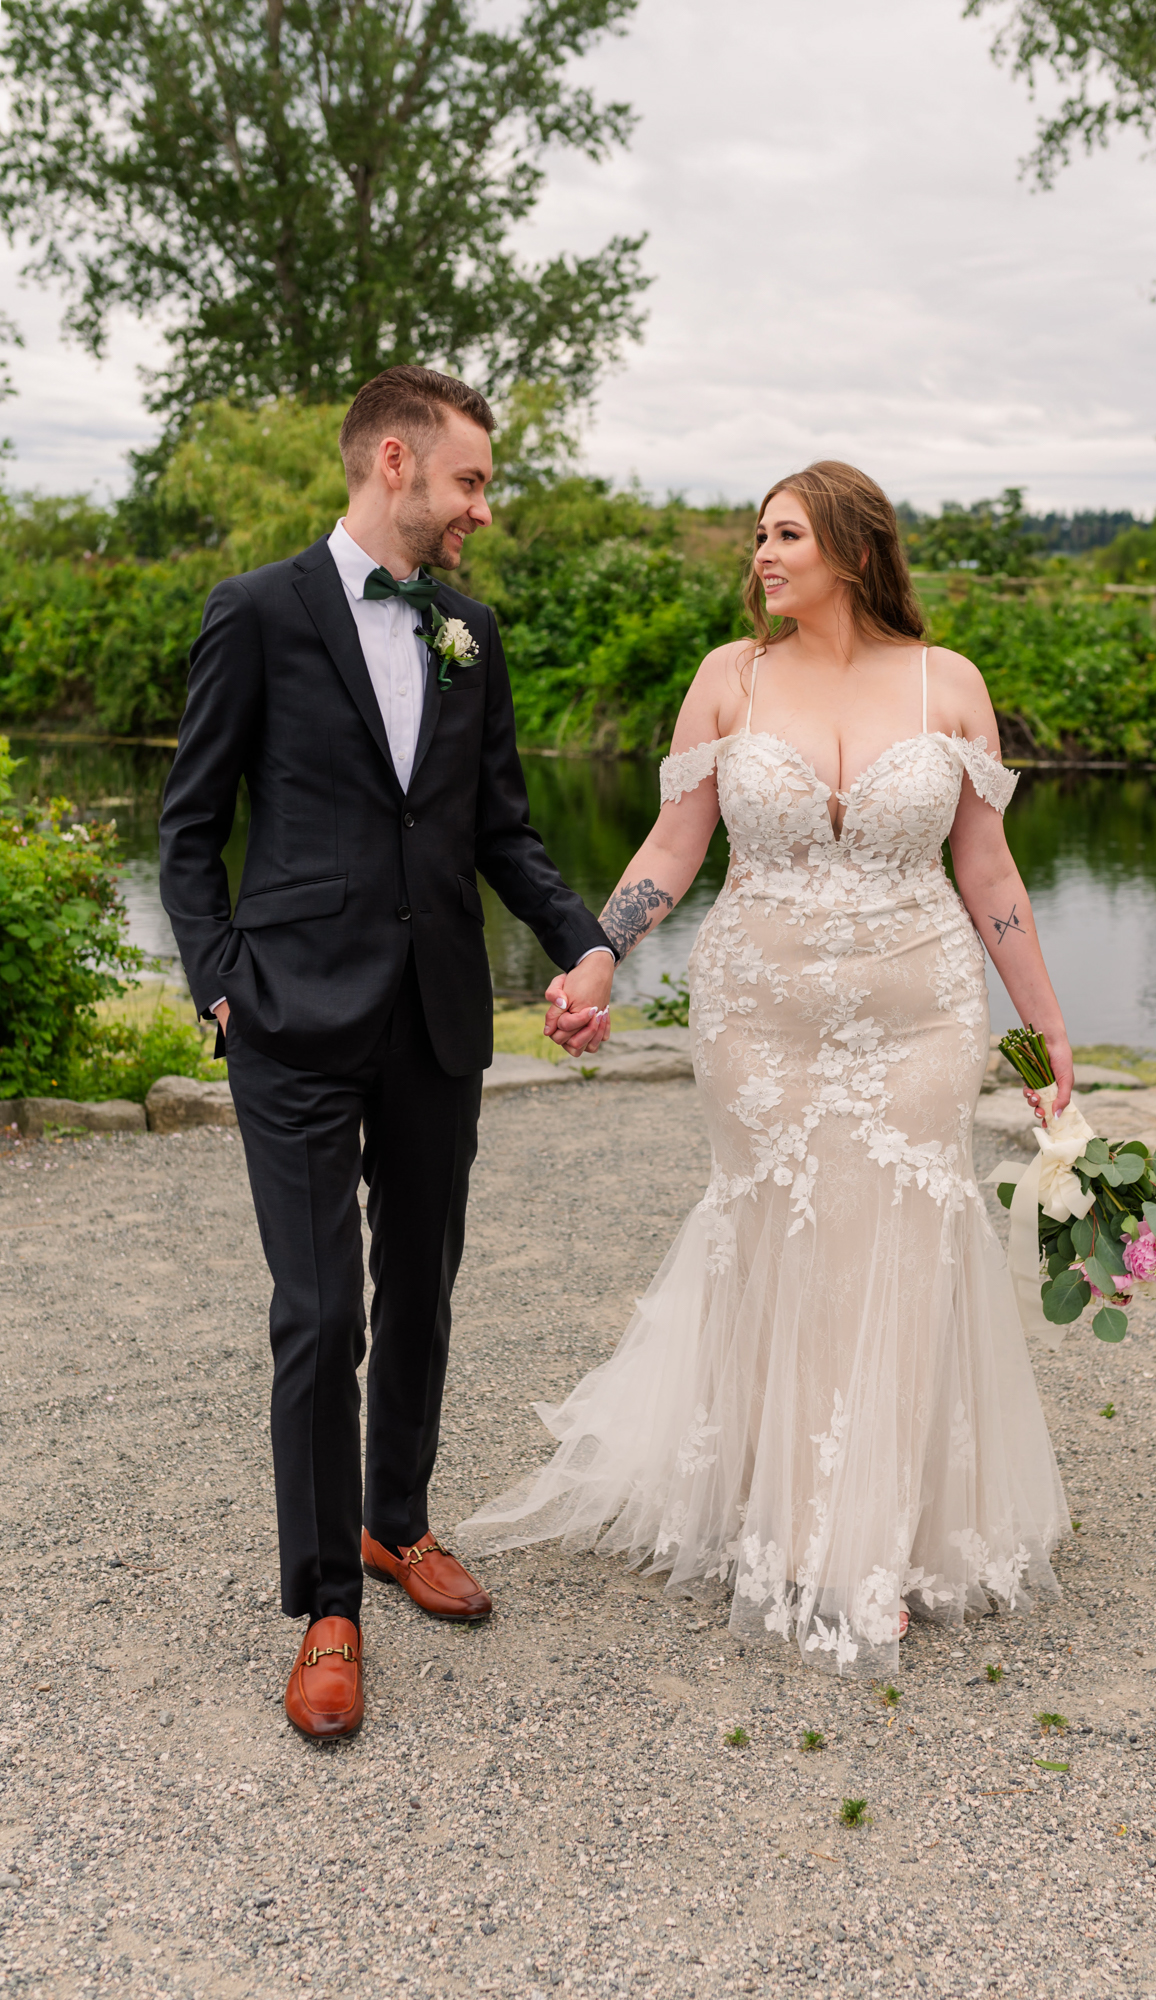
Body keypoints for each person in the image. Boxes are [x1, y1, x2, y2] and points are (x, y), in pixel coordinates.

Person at [457, 460, 1072, 1673]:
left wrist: (1040, 1035)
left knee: (902, 1233)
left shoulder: (950, 683)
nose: (763, 555)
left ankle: (878, 1537)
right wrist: (595, 958)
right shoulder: (727, 679)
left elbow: (989, 874)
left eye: (785, 533)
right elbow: (672, 845)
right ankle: (794, 1518)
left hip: (923, 1007)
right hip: (760, 1013)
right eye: (758, 536)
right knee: (790, 1232)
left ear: (852, 544)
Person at [159, 365, 614, 1739]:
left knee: (420, 1288)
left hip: (437, 1015)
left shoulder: (471, 629)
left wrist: (584, 941)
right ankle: (325, 1606)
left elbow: (503, 831)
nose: (485, 505)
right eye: (472, 479)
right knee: (322, 1313)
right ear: (398, 463)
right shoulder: (255, 611)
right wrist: (222, 987)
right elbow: (188, 833)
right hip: (289, 1017)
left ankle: (394, 1524)